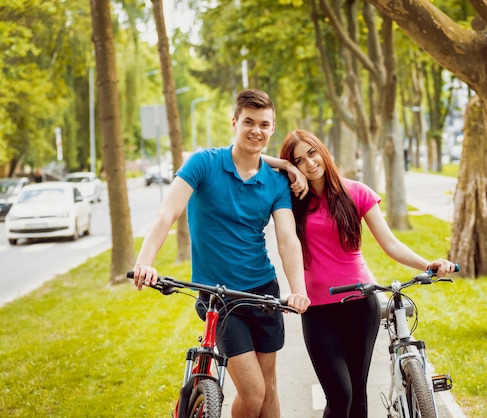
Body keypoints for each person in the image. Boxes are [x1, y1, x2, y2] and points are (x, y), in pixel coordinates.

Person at [131, 89, 311, 417]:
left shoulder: (275, 183)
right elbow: (166, 214)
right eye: (248, 122)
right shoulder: (204, 164)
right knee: (253, 392)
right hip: (220, 296)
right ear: (234, 122)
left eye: (264, 124)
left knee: (269, 387)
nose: (256, 130)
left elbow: (287, 240)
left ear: (272, 128)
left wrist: (297, 290)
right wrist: (145, 262)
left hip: (263, 292)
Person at [279, 129, 457, 418]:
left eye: (312, 153)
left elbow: (390, 243)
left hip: (361, 304)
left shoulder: (357, 192)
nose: (309, 163)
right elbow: (258, 163)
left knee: (358, 396)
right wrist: (284, 166)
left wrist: (427, 264)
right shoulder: (291, 202)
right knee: (339, 396)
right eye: (298, 160)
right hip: (318, 310)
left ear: (323, 151)